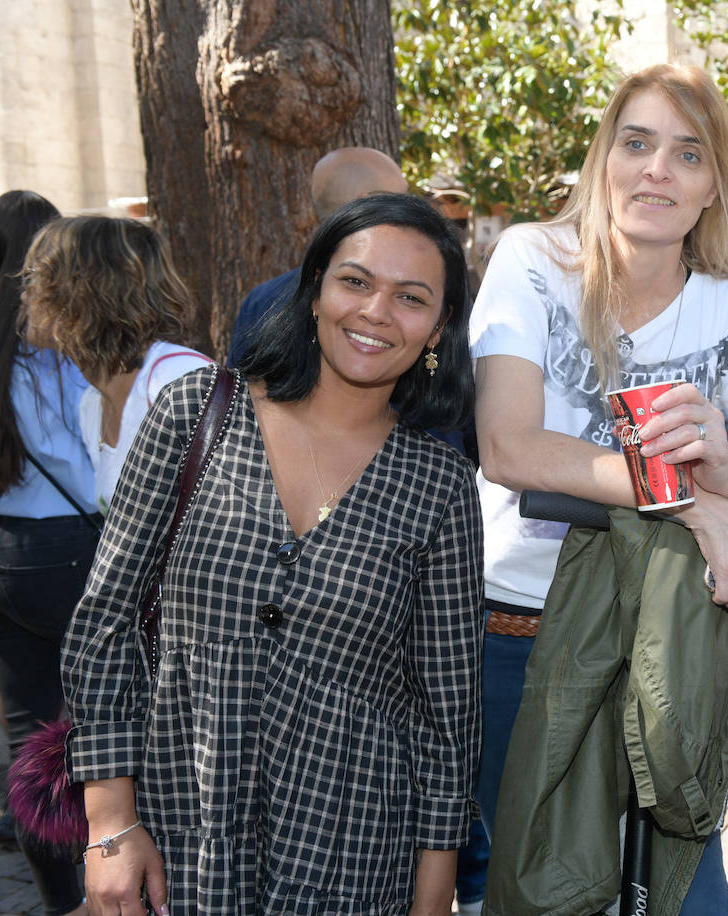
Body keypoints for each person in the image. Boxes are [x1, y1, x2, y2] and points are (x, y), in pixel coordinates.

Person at [469, 64, 728, 908]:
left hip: (669, 638)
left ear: (714, 188)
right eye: (636, 143)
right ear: (604, 158)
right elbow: (508, 446)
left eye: (688, 154)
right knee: (539, 888)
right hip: (521, 634)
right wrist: (694, 504)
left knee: (682, 892)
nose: (657, 170)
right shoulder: (534, 259)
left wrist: (723, 467)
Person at [61, 193, 482, 916]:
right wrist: (110, 824)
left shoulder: (438, 484)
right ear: (314, 289)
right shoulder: (196, 414)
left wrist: (434, 889)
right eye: (355, 281)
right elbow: (106, 620)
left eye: (411, 298)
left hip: (351, 857)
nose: (377, 312)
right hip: (178, 830)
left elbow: (446, 711)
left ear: (438, 328)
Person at [0, 190, 94, 916]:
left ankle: (62, 902)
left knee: (31, 740)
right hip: (62, 553)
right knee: (98, 733)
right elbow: (98, 460)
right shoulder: (64, 341)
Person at [20, 216, 213, 512]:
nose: (25, 295)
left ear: (81, 293)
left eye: (36, 277)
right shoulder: (92, 406)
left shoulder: (177, 381)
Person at [227, 146, 409, 366]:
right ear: (367, 205)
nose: (412, 214)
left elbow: (239, 384)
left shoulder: (262, 299)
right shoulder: (415, 299)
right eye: (402, 200)